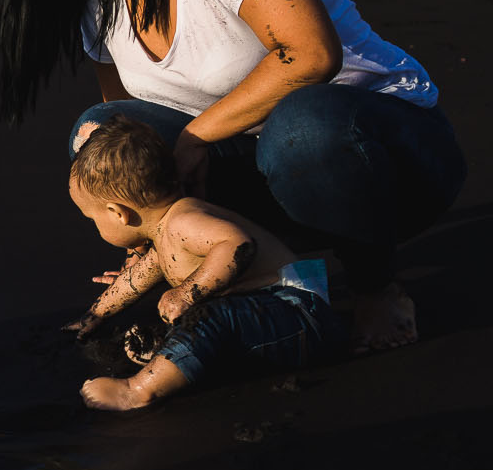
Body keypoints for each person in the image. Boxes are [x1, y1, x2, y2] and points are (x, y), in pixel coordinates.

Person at [0, 0, 464, 353]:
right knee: (100, 138)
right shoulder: (101, 9)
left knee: (302, 130)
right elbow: (130, 149)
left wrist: (197, 135)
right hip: (270, 173)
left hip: (391, 158)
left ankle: (376, 285)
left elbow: (310, 54)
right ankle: (246, 271)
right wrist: (154, 244)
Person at [64, 119, 343, 410]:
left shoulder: (185, 221)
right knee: (200, 319)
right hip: (267, 321)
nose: (94, 225)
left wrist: (185, 293)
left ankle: (138, 390)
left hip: (302, 316)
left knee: (208, 317)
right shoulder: (164, 234)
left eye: (91, 218)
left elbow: (237, 244)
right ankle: (178, 358)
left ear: (118, 213)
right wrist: (95, 315)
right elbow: (137, 278)